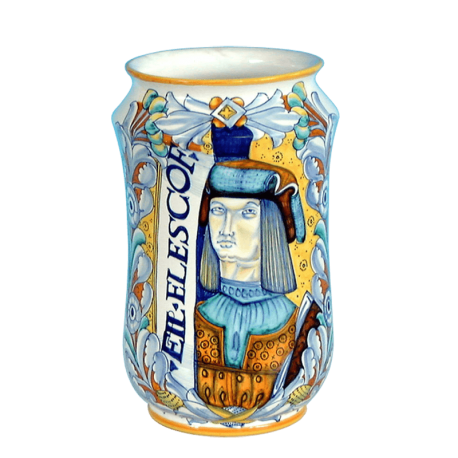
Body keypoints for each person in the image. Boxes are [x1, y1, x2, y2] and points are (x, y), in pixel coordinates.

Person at [195, 159, 306, 410]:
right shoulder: (201, 315)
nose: (226, 228)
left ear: (272, 225)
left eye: (247, 213)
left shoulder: (295, 321)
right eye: (218, 210)